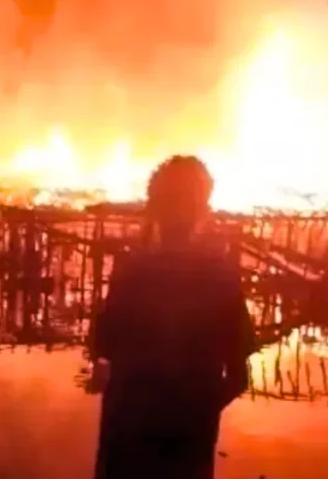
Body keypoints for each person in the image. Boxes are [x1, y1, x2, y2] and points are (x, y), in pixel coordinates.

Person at [91, 155, 256, 479]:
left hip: (128, 435)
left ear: (152, 207)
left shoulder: (130, 272)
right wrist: (198, 411)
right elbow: (238, 377)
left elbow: (102, 350)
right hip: (188, 442)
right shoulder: (220, 277)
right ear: (202, 209)